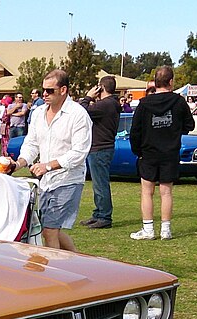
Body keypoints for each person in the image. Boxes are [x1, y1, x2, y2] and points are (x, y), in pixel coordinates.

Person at [8, 69, 92, 252]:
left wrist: (48, 166)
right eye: (43, 90)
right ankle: (78, 262)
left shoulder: (78, 115)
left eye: (49, 90)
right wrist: (17, 164)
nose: (44, 94)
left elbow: (79, 152)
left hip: (68, 179)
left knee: (50, 230)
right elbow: (31, 144)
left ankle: (55, 272)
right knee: (50, 228)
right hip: (46, 182)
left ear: (63, 90)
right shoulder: (38, 113)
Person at [128, 66, 195, 240]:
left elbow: (135, 131)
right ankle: (166, 229)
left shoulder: (144, 104)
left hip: (148, 152)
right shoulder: (179, 102)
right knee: (166, 192)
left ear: (155, 83)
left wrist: (138, 151)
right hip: (170, 152)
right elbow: (190, 125)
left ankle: (148, 229)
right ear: (171, 82)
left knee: (146, 191)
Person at [78, 75, 121, 229]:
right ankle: (99, 213)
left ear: (101, 88)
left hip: (100, 148)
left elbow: (81, 111)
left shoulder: (105, 105)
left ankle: (104, 216)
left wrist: (88, 97)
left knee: (100, 183)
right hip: (103, 147)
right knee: (98, 183)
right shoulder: (112, 104)